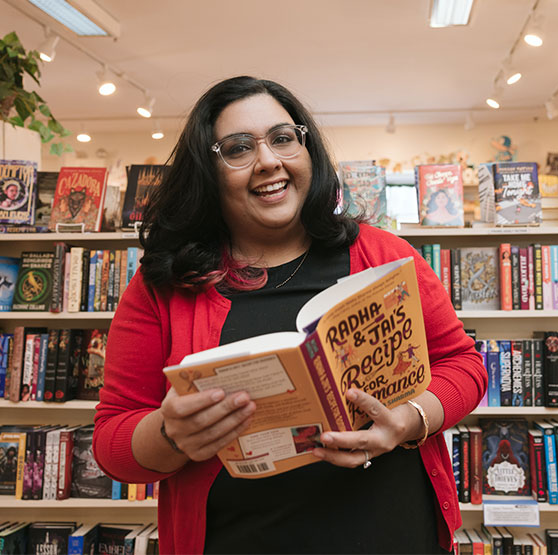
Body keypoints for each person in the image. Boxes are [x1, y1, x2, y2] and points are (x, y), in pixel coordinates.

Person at [93, 76, 486, 555]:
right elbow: (112, 441)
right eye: (238, 148)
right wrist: (170, 434)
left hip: (395, 532)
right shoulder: (163, 287)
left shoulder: (383, 254)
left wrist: (407, 421)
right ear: (207, 170)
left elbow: (463, 365)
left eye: (283, 138)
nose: (269, 161)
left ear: (306, 148)